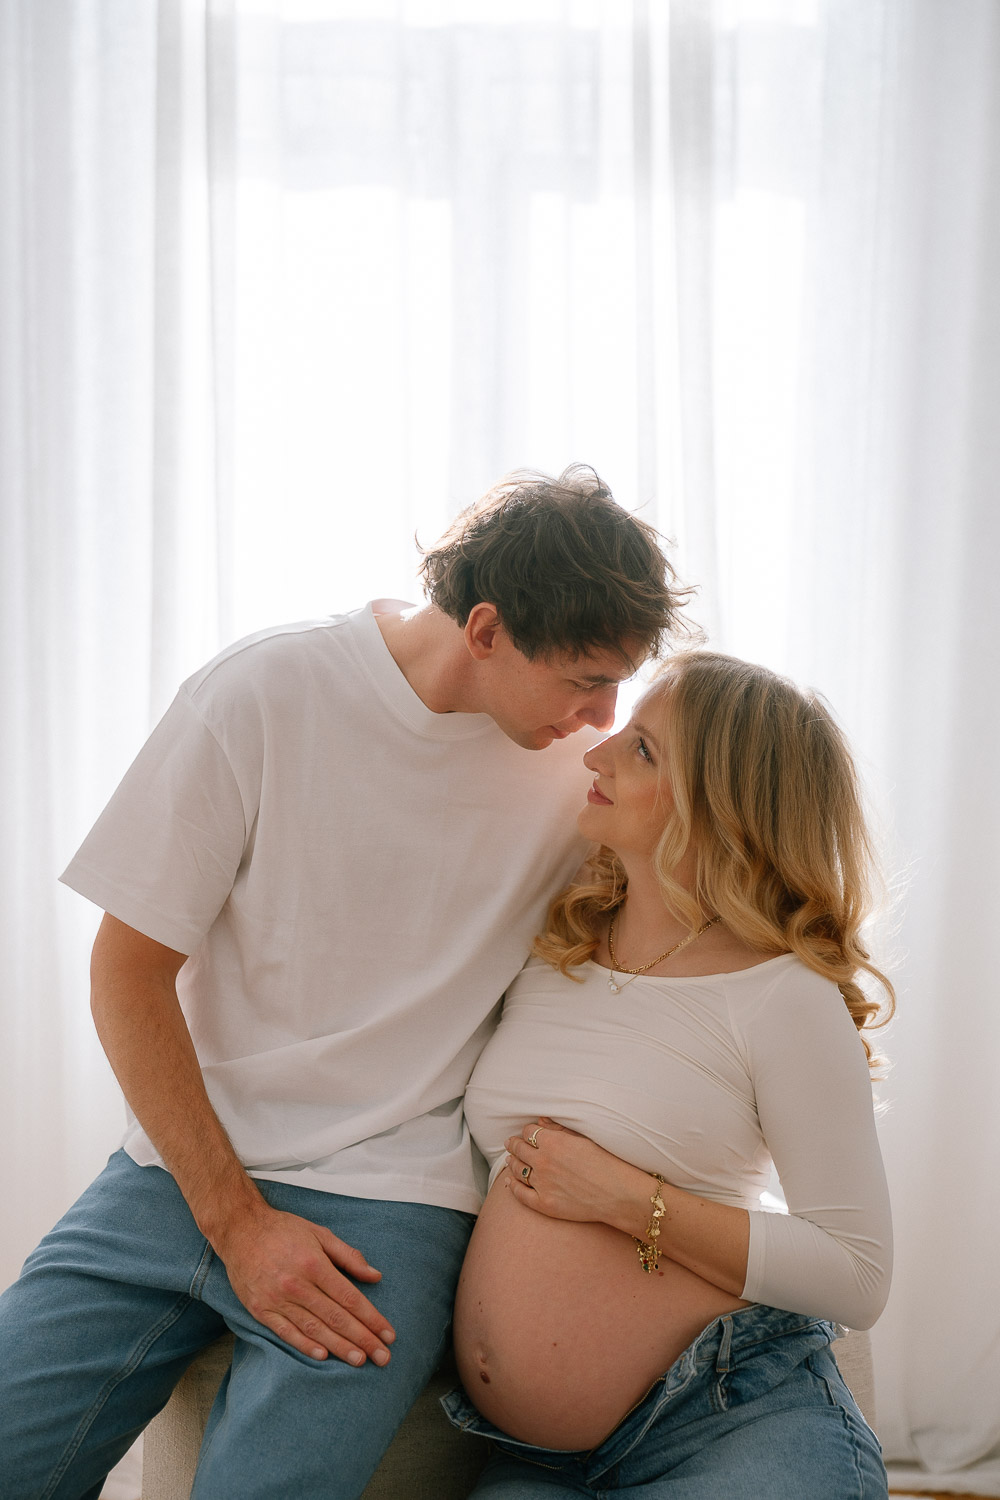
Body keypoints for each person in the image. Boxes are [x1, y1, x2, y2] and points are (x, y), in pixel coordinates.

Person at [0, 467, 686, 1500]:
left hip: (391, 1191)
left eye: (622, 682)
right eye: (586, 677)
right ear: (488, 631)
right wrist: (236, 1222)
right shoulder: (261, 694)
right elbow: (128, 972)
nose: (604, 715)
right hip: (175, 1168)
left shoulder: (582, 779)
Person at [446, 649, 894, 1498]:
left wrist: (624, 1199)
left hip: (725, 1421)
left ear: (724, 810)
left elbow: (856, 1274)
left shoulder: (784, 996)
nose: (595, 754)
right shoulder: (557, 949)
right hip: (540, 1461)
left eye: (643, 749)